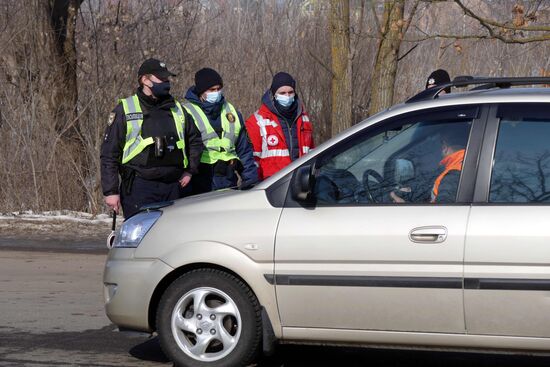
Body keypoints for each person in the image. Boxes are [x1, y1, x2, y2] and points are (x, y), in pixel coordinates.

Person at [101, 58, 203, 218]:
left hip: (174, 186)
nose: (166, 83)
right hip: (139, 187)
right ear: (144, 80)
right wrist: (111, 191)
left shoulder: (178, 109)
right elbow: (109, 153)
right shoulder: (125, 109)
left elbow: (195, 141)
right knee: (141, 236)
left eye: (167, 79)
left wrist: (190, 170)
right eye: (161, 79)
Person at [182, 68, 257, 193]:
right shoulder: (186, 112)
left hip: (228, 179)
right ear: (201, 91)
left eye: (218, 89)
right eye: (211, 90)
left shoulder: (231, 111)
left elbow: (244, 150)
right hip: (200, 180)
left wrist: (250, 180)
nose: (216, 93)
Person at [245, 72, 314, 180]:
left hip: (300, 182)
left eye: (290, 92)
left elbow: (311, 152)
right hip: (271, 184)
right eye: (282, 93)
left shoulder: (304, 119)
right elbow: (252, 159)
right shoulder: (257, 121)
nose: (287, 96)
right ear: (274, 95)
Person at [390, 127, 467, 204]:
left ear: (444, 147)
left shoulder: (452, 175)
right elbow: (430, 185)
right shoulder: (460, 164)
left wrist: (405, 207)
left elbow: (443, 214)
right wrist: (410, 190)